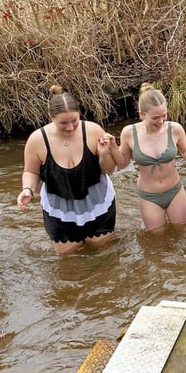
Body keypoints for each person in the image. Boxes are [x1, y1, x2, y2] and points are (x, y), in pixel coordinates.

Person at [17, 85, 119, 253]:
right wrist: (27, 189)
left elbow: (109, 170)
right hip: (59, 208)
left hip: (97, 202)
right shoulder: (37, 140)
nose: (70, 127)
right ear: (51, 117)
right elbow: (31, 171)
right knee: (69, 260)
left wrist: (104, 155)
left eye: (74, 121)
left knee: (103, 254)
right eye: (63, 123)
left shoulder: (93, 131)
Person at [116, 83, 186, 231]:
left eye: (164, 115)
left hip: (174, 191)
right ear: (142, 114)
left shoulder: (175, 129)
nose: (161, 121)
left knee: (183, 231)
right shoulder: (129, 133)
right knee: (156, 239)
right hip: (149, 196)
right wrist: (110, 147)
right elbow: (122, 163)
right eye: (155, 118)